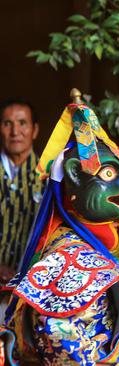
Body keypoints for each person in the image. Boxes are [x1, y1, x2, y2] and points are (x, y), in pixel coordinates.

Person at [4, 89, 119, 365]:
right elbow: (57, 332)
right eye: (107, 173)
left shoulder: (77, 248)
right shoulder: (70, 260)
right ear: (73, 176)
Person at [0, 98, 42, 283]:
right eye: (7, 124)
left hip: (27, 288)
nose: (15, 132)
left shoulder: (49, 178)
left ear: (35, 130)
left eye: (22, 123)